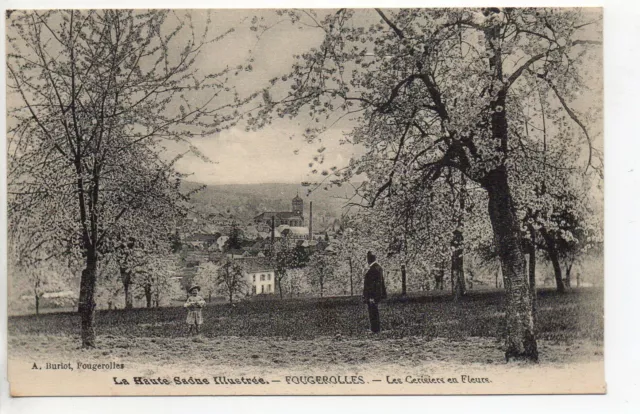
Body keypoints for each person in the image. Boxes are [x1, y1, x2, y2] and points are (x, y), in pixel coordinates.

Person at [362, 251, 387, 334]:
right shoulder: (378, 268)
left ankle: (375, 329)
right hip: (375, 295)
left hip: (372, 295)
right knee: (374, 311)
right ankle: (375, 329)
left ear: (369, 259)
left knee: (373, 312)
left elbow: (374, 285)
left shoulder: (373, 269)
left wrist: (371, 296)